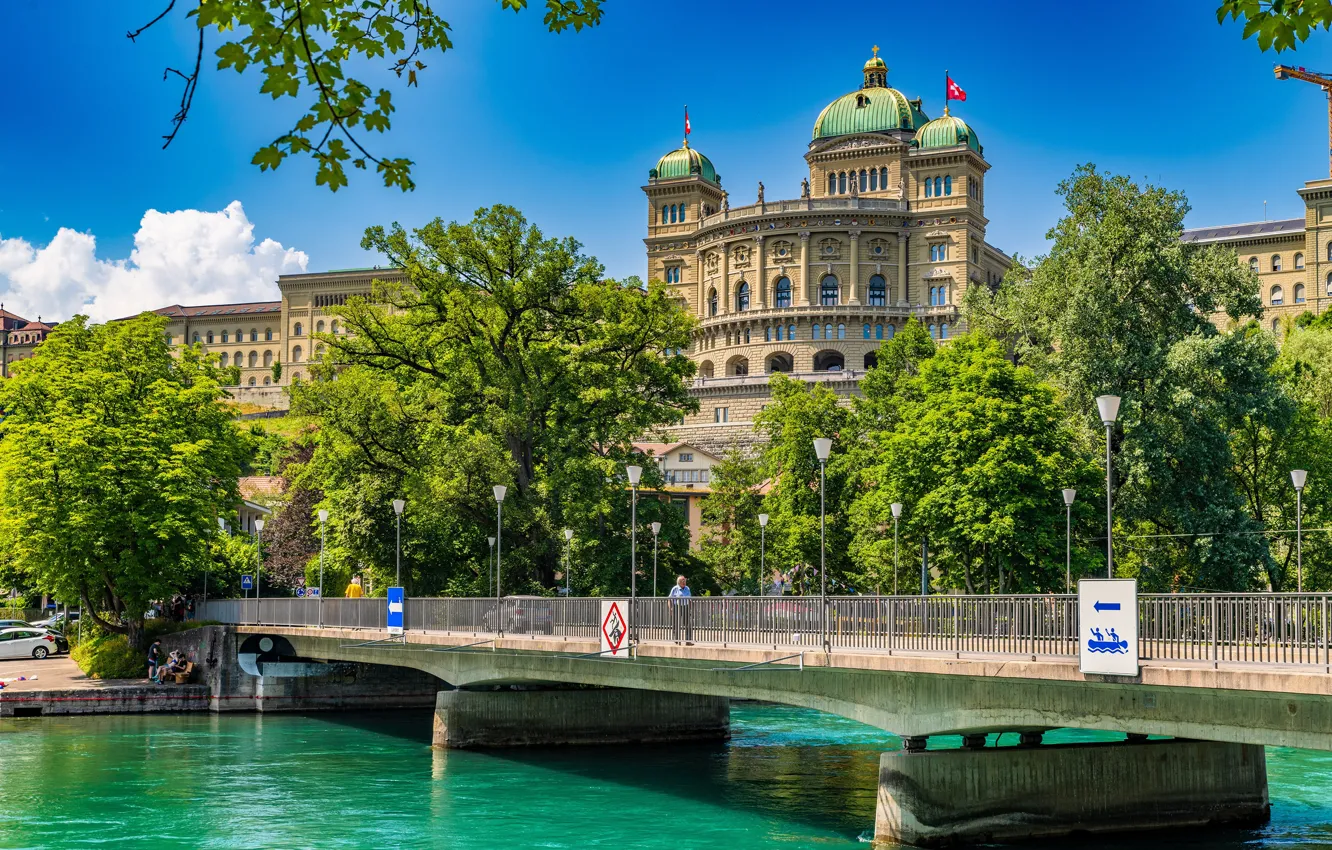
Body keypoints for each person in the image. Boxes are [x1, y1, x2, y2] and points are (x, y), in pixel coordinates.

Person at [669, 575, 693, 645]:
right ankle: (676, 639)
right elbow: (669, 599)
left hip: (686, 606)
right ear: (679, 582)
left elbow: (690, 599)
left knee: (688, 624)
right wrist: (671, 608)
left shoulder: (687, 588)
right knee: (676, 623)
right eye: (683, 581)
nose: (684, 582)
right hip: (676, 607)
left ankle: (688, 640)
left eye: (685, 581)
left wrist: (690, 608)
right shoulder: (675, 588)